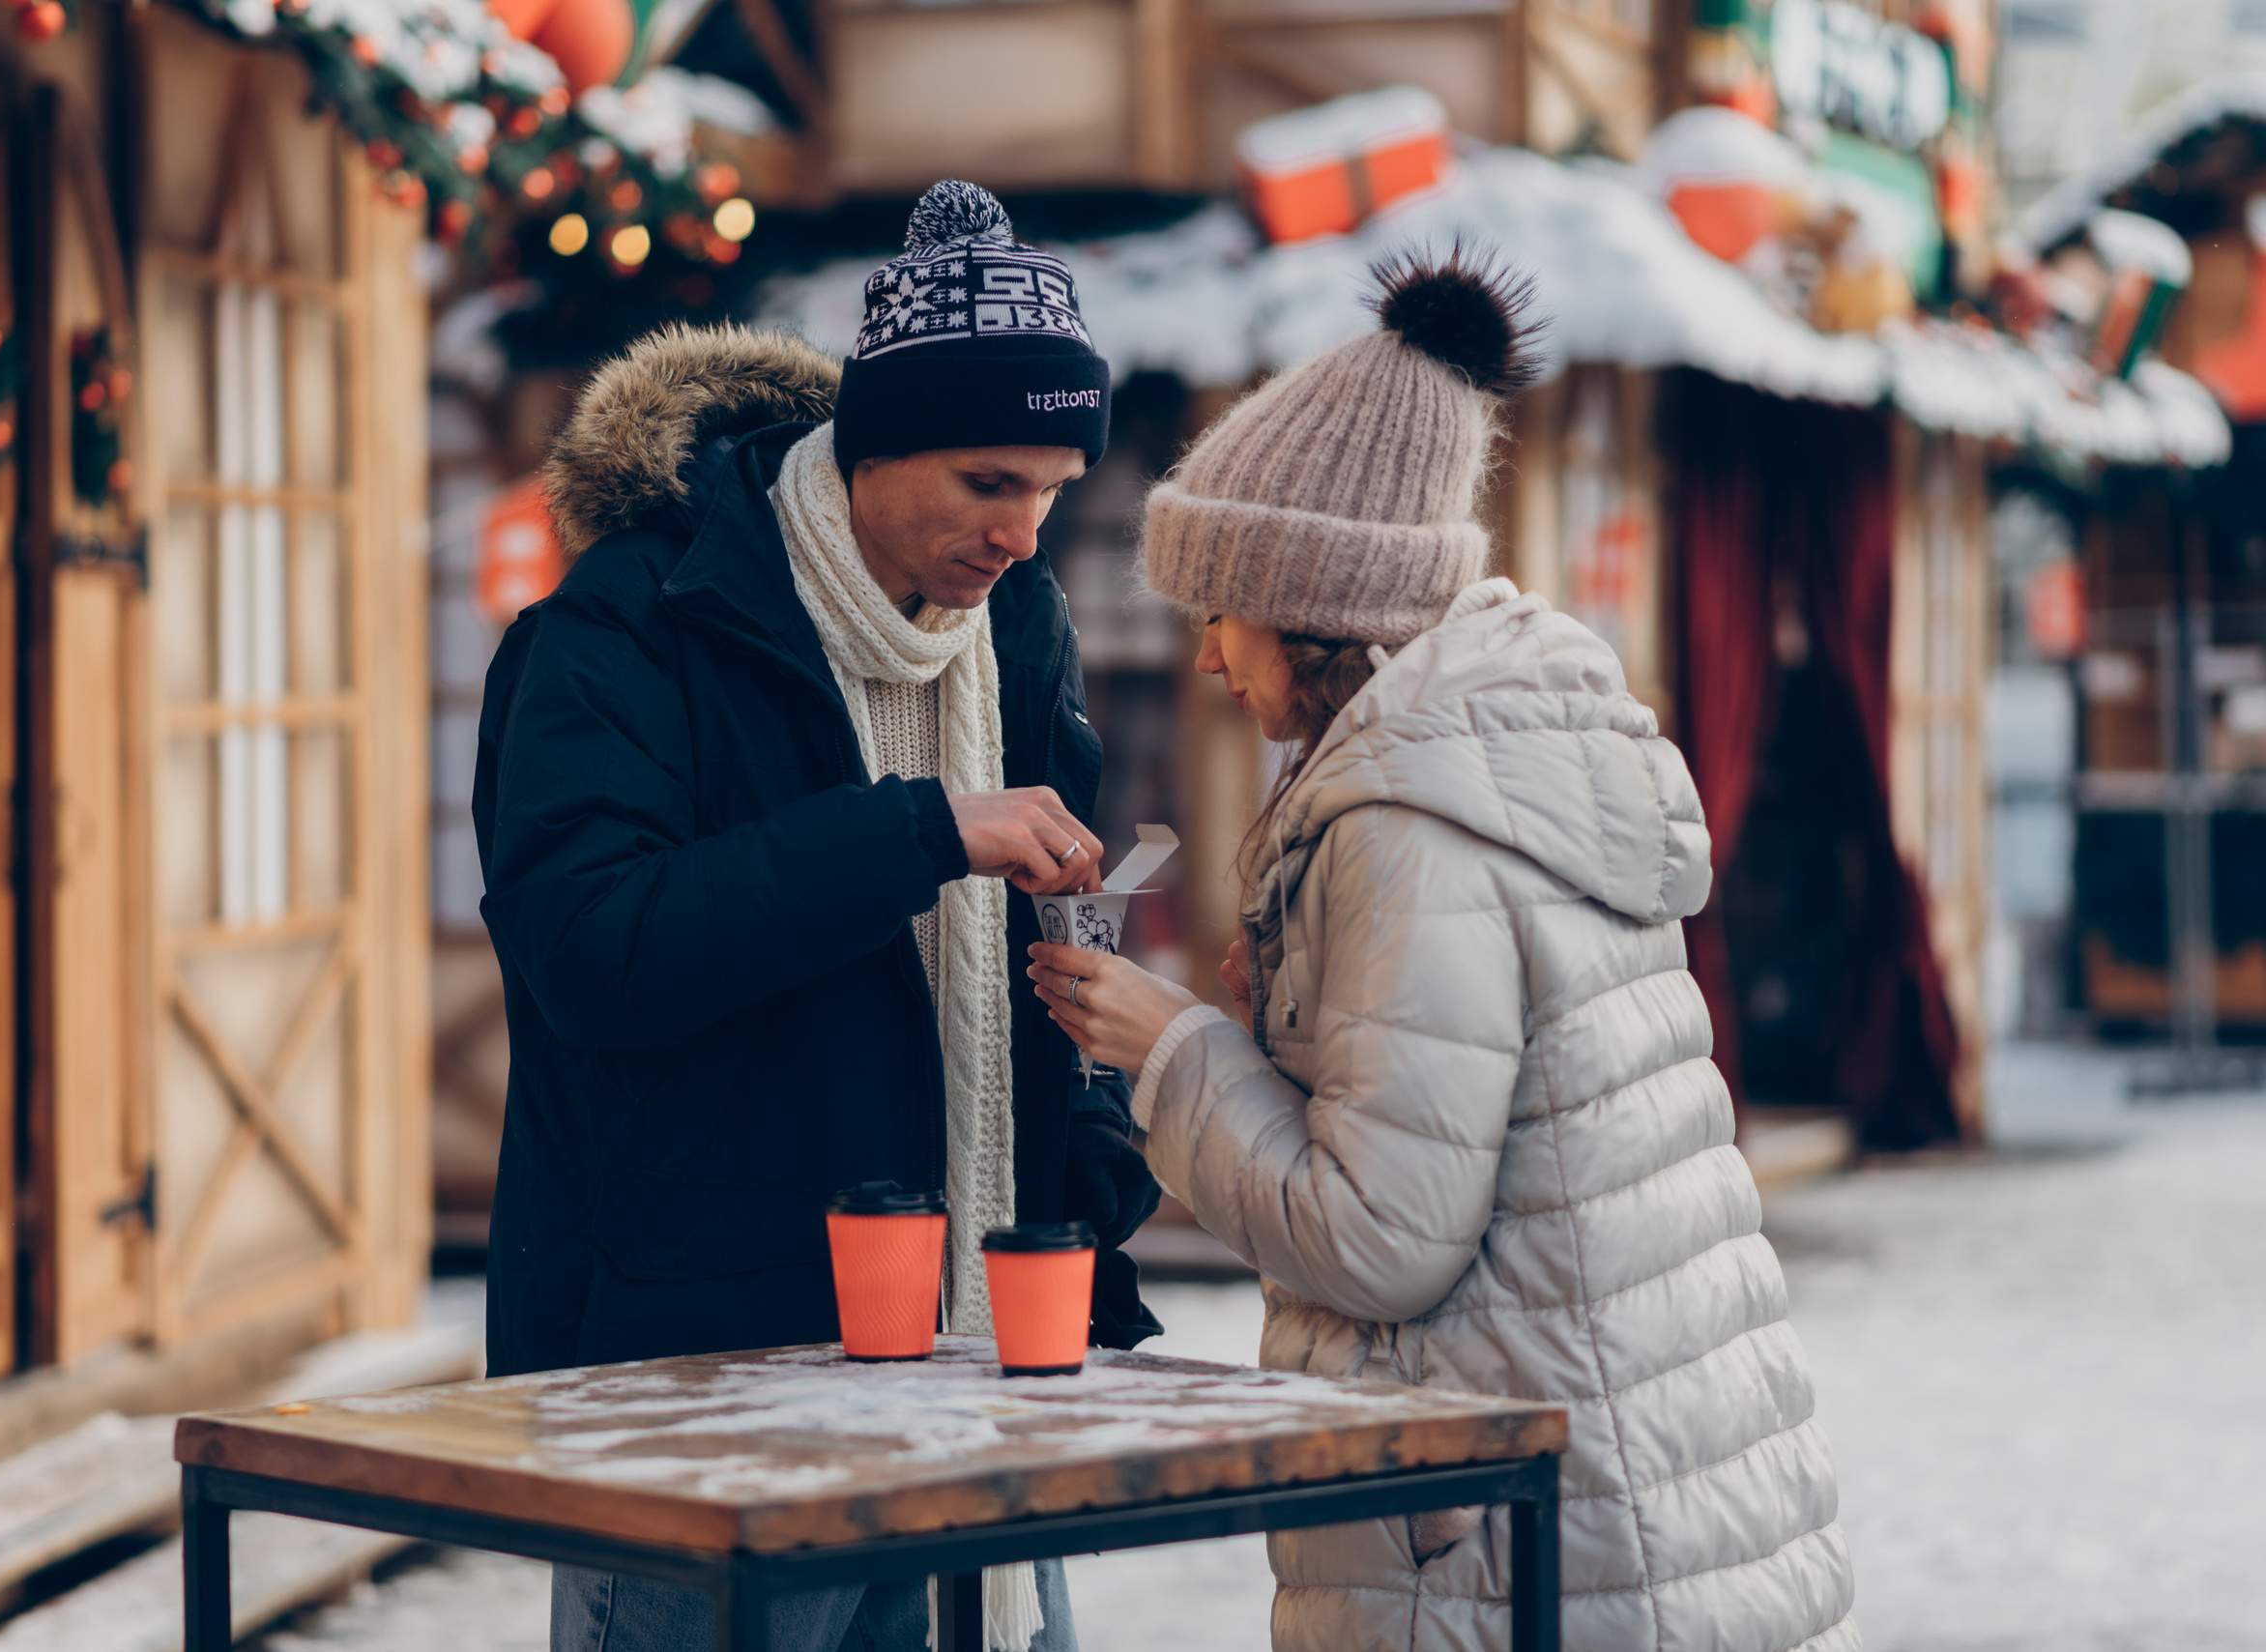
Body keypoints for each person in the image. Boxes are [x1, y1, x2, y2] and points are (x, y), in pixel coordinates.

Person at [1026, 252, 1859, 1652]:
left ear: (1313, 602)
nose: (1212, 659)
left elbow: (1382, 1237)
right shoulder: (1512, 751)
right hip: (1631, 1492)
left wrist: (1172, 1049)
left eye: (1221, 610)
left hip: (1512, 1544)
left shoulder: (1409, 825)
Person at [475, 179, 1161, 1652]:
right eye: (990, 481)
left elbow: (1052, 926)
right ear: (871, 441)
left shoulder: (1017, 632)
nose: (1024, 535)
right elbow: (597, 952)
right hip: (695, 1368)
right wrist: (916, 830)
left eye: (1051, 487)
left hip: (976, 1348)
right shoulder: (626, 626)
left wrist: (1090, 1158)